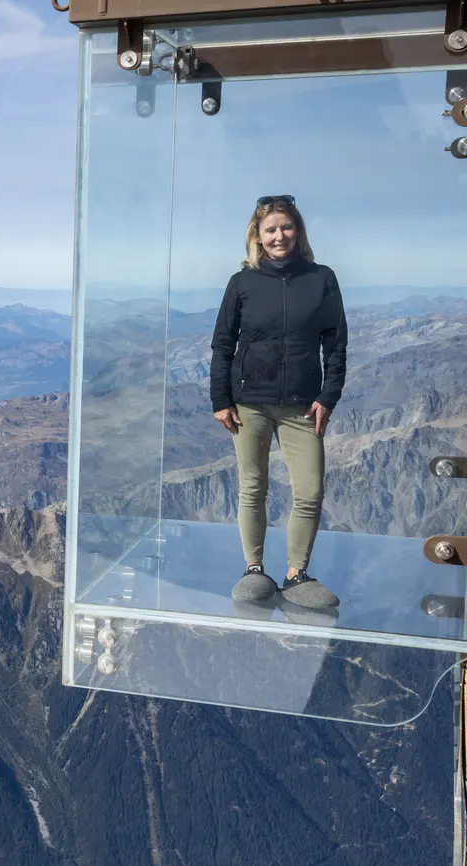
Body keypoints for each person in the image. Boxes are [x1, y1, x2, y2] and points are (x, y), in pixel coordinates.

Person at [210, 195, 347, 609]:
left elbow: (336, 344)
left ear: (298, 231)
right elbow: (222, 344)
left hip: (303, 406)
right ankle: (254, 569)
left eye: (286, 227)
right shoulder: (243, 283)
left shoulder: (322, 278)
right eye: (270, 229)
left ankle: (296, 574)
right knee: (253, 488)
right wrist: (221, 398)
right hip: (249, 403)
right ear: (258, 236)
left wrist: (329, 395)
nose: (279, 235)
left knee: (310, 491)